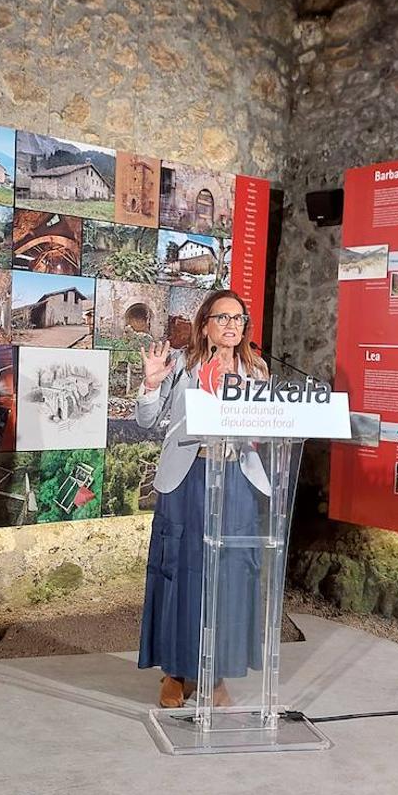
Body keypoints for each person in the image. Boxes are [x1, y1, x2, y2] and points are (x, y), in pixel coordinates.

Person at [135, 289, 269, 708]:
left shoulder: (257, 371)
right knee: (183, 571)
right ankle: (175, 671)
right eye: (222, 317)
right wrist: (150, 384)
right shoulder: (181, 366)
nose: (232, 325)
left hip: (237, 481)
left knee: (228, 574)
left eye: (239, 318)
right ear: (205, 324)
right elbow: (146, 420)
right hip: (189, 478)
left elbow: (264, 429)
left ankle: (215, 675)